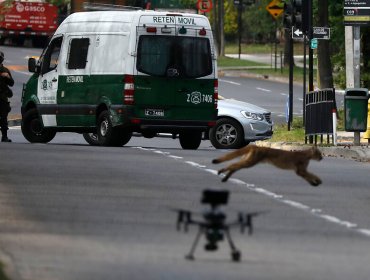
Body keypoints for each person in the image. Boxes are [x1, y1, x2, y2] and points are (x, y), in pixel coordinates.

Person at [0, 51, 14, 142]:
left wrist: (7, 77)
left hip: (2, 97)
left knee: (4, 117)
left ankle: (4, 136)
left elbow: (11, 83)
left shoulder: (5, 70)